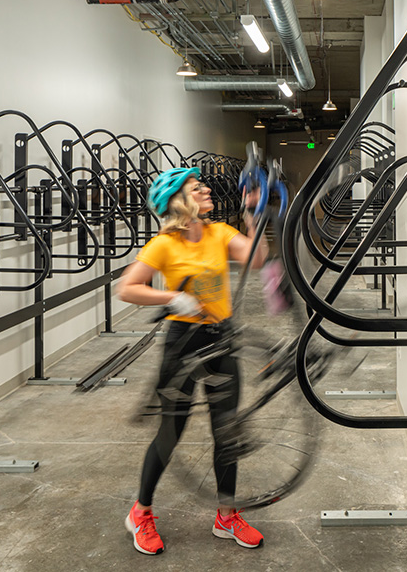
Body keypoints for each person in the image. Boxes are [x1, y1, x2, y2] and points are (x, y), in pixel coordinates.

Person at [117, 166, 268, 555]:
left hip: (221, 338)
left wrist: (254, 213)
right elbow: (128, 288)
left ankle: (226, 514)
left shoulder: (219, 232)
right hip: (183, 341)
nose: (206, 191)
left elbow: (256, 260)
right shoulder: (164, 244)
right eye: (196, 188)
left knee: (227, 431)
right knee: (171, 432)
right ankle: (141, 511)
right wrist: (171, 298)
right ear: (179, 202)